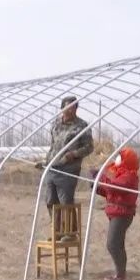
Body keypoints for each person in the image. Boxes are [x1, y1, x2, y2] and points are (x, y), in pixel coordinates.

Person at [35, 96, 93, 235]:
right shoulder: (56, 124)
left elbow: (89, 147)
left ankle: (70, 232)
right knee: (50, 200)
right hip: (53, 166)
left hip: (69, 168)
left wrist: (74, 154)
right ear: (62, 108)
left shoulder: (82, 126)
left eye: (73, 107)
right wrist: (45, 161)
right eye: (68, 107)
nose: (70, 110)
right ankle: (57, 231)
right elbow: (53, 145)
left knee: (65, 201)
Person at [93, 147, 139, 280]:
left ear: (127, 160)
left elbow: (114, 187)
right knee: (118, 244)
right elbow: (111, 193)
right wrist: (97, 186)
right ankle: (121, 273)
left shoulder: (129, 176)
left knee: (113, 244)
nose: (117, 159)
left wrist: (100, 177)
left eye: (120, 157)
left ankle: (120, 275)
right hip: (116, 212)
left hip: (122, 214)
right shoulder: (121, 174)